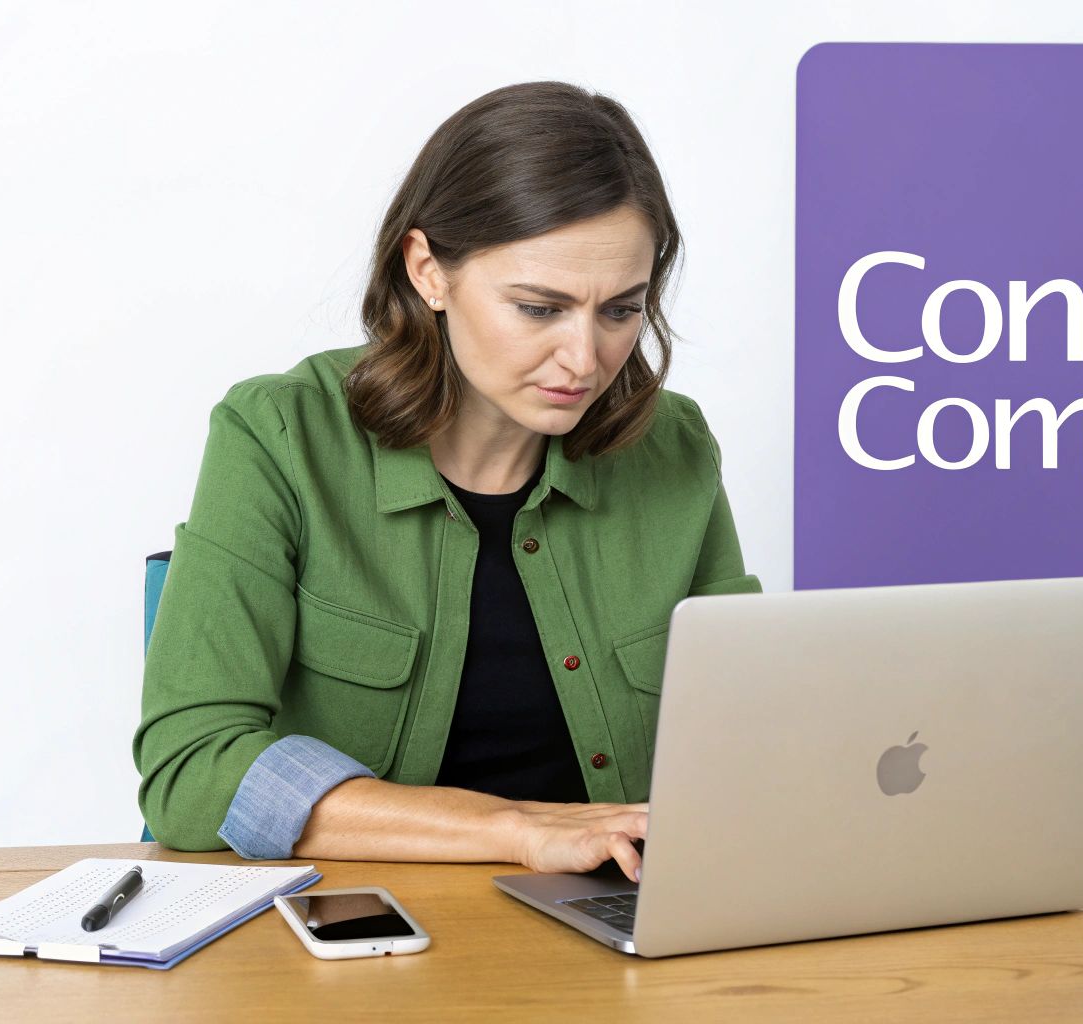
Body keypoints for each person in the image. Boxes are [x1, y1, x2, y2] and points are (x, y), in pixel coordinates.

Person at [132, 81, 759, 883]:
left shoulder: (674, 449)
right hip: (363, 925)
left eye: (620, 311)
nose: (586, 359)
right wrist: (516, 830)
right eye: (540, 308)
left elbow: (750, 736)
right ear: (428, 270)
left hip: (615, 917)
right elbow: (192, 771)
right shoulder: (281, 436)